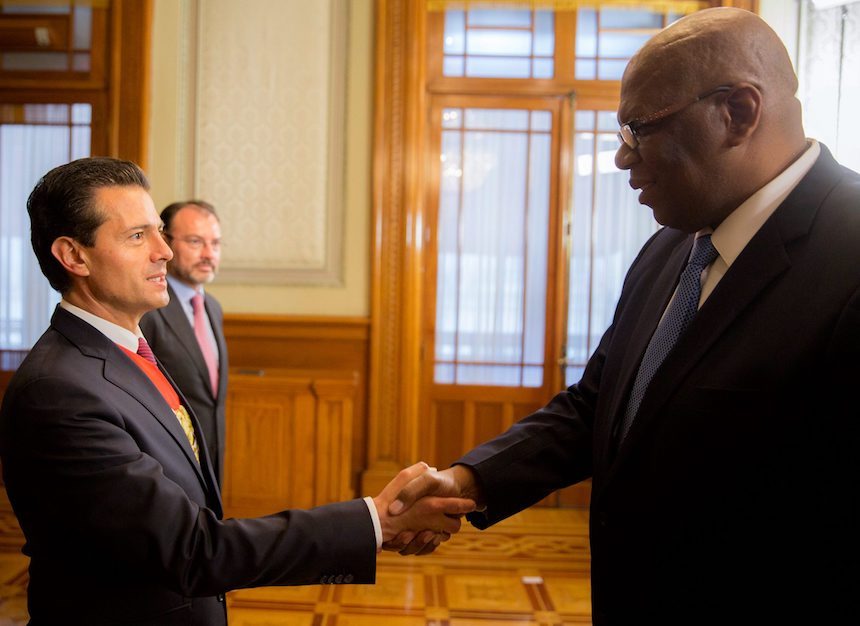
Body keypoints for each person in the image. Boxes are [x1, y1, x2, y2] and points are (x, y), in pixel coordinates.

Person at [387, 8, 860, 624]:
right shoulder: (673, 246)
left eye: (640, 128)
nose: (619, 157)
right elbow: (598, 405)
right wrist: (467, 481)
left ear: (738, 113)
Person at [0, 157, 474, 625]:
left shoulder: (129, 350)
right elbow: (194, 550)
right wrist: (374, 521)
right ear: (74, 256)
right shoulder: (59, 392)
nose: (164, 252)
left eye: (159, 232)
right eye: (137, 236)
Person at [140, 200, 228, 487]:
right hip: (168, 467)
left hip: (211, 458)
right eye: (195, 242)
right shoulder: (147, 310)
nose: (208, 254)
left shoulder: (212, 307)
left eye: (215, 244)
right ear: (166, 242)